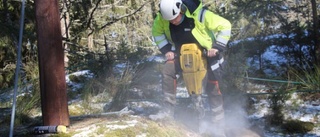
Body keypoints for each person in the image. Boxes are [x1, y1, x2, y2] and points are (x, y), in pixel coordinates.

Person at [151, 0, 231, 136]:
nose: (172, 22)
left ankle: (219, 126)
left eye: (174, 18)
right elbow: (157, 33)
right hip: (180, 53)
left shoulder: (200, 15)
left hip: (206, 54)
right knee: (167, 71)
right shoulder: (162, 18)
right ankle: (167, 113)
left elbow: (225, 26)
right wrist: (166, 50)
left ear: (180, 9)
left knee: (213, 89)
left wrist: (216, 47)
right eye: (169, 20)